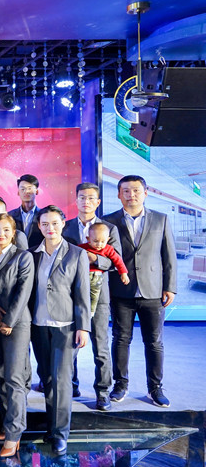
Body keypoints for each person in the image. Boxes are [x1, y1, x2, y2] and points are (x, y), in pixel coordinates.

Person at [103, 175, 176, 408]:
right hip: (120, 290)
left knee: (154, 342)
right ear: (119, 194)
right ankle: (120, 385)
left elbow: (169, 256)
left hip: (153, 290)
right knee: (121, 339)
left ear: (145, 193)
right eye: (126, 191)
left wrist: (170, 286)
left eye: (136, 190)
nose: (131, 195)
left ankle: (155, 388)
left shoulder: (161, 219)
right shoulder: (108, 221)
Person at [30, 205, 91, 455]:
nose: (50, 228)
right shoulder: (32, 254)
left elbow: (82, 293)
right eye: (45, 224)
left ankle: (60, 433)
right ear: (39, 226)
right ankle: (51, 427)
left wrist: (83, 327)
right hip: (38, 324)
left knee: (62, 380)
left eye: (55, 223)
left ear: (63, 224)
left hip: (65, 326)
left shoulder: (77, 254)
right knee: (47, 378)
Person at [62, 183, 121, 409]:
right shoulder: (65, 227)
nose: (86, 202)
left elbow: (116, 261)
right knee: (70, 345)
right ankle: (71, 385)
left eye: (90, 198)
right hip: (71, 295)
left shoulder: (109, 228)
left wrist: (94, 258)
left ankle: (103, 392)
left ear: (98, 202)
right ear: (76, 200)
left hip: (99, 296)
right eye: (81, 197)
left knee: (100, 346)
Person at [0, 213, 34, 458]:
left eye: (6, 229)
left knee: (15, 378)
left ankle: (15, 433)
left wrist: (8, 321)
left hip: (16, 324)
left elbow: (24, 292)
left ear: (13, 233)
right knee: (1, 374)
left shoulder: (23, 256)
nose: (0, 234)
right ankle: (7, 423)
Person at [80, 223, 130, 312]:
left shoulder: (108, 249)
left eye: (103, 241)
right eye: (95, 241)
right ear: (88, 239)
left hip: (97, 277)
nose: (99, 244)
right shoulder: (82, 248)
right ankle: (83, 310)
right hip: (83, 276)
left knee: (94, 296)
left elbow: (118, 261)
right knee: (81, 294)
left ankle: (91, 312)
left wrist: (123, 273)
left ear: (108, 239)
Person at [8, 174, 43, 248]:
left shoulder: (43, 215)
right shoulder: (10, 216)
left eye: (29, 188)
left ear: (37, 191)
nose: (26, 191)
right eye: (22, 189)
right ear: (18, 192)